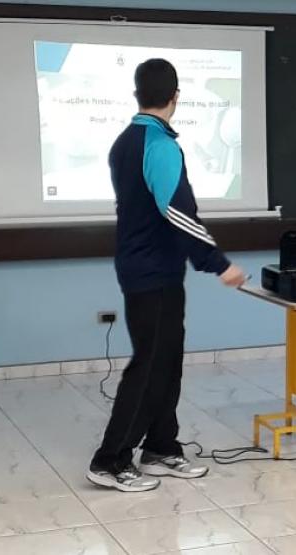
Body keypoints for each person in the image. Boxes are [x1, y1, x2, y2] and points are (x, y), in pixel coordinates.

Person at [87, 59, 247, 492]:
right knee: (151, 364)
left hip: (152, 268)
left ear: (138, 93)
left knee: (166, 361)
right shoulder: (156, 144)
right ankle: (110, 460)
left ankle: (160, 447)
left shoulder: (128, 140)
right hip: (151, 271)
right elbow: (177, 212)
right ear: (176, 96)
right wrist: (219, 263)